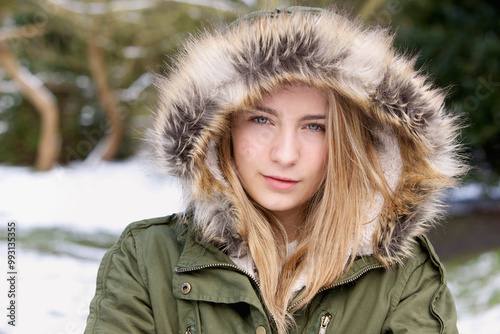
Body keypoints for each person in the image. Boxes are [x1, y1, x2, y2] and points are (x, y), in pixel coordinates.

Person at [84, 6, 466, 334]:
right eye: (261, 120)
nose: (285, 154)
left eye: (316, 126)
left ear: (350, 143)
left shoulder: (404, 276)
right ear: (221, 129)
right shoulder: (145, 260)